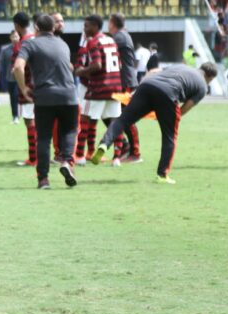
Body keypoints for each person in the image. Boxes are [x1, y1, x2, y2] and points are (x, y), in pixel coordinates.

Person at [92, 63, 219, 183]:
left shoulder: (182, 66)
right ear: (210, 77)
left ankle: (104, 144)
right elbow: (186, 107)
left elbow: (154, 71)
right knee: (169, 137)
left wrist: (143, 86)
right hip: (169, 92)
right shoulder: (202, 86)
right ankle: (162, 175)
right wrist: (169, 116)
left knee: (123, 120)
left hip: (147, 85)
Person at [13, 14, 79, 189]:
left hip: (45, 96)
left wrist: (23, 88)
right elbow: (71, 67)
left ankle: (43, 179)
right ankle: (67, 162)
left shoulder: (30, 43)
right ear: (54, 28)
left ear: (36, 27)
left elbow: (18, 67)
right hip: (69, 95)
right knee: (70, 131)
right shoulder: (63, 44)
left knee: (43, 138)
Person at [74, 14, 123, 166]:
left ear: (95, 26)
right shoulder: (111, 40)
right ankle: (116, 158)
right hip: (115, 87)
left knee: (85, 120)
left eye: (87, 26)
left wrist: (80, 71)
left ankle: (80, 156)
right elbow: (119, 65)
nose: (84, 28)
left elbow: (97, 65)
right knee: (116, 123)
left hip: (99, 88)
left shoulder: (93, 42)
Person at [108, 13, 142, 163]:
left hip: (125, 81)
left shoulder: (119, 38)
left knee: (125, 117)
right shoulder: (123, 36)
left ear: (112, 23)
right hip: (123, 80)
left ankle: (135, 152)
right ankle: (125, 146)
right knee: (111, 114)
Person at [12, 12, 37, 166]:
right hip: (43, 86)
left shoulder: (22, 44)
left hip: (30, 87)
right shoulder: (38, 38)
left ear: (16, 25)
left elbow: (17, 68)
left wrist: (23, 88)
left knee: (30, 122)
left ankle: (34, 158)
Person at [0, 30, 20, 123]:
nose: (15, 38)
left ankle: (25, 115)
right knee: (13, 97)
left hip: (23, 76)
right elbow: (1, 63)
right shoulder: (5, 49)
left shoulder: (24, 48)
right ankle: (15, 116)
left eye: (17, 36)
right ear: (10, 37)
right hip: (10, 77)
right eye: (13, 36)